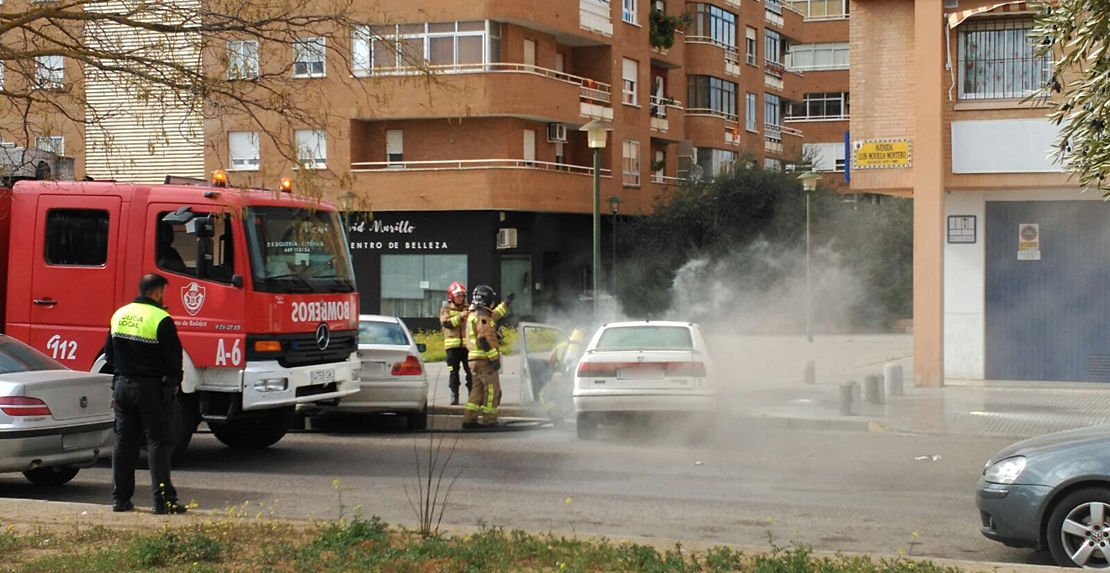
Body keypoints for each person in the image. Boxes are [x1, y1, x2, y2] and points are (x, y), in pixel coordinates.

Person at [102, 273, 186, 515]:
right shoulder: (161, 318)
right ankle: (163, 502)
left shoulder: (119, 315)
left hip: (122, 387)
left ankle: (120, 500)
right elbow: (173, 358)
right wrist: (174, 382)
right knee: (158, 443)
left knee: (124, 444)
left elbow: (109, 354)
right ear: (158, 292)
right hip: (151, 390)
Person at [462, 285, 513, 429]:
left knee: (476, 389)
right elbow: (484, 338)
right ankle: (490, 420)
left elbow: (494, 315)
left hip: (473, 359)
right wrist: (494, 359)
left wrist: (505, 304)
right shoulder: (481, 316)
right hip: (484, 360)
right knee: (492, 390)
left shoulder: (475, 314)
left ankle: (469, 419)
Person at [538, 327, 587, 426]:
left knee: (544, 395)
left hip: (558, 379)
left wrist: (552, 374)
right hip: (576, 382)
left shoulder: (561, 346)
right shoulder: (586, 348)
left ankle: (556, 417)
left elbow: (550, 361)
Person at [439, 282, 471, 405]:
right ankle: (454, 395)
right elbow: (446, 324)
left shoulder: (468, 308)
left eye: (462, 295)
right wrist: (460, 317)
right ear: (452, 296)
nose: (460, 298)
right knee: (453, 372)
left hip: (466, 347)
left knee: (470, 372)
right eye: (457, 295)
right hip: (452, 348)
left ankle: (472, 396)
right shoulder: (446, 309)